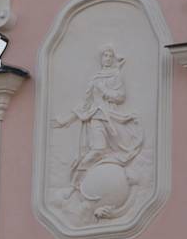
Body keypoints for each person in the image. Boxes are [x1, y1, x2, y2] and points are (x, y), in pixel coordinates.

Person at [51, 46, 143, 196]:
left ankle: (107, 174)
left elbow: (120, 97)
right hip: (96, 116)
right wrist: (65, 120)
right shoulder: (95, 79)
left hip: (112, 118)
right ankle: (76, 182)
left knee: (118, 148)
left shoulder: (116, 76)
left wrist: (105, 91)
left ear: (113, 59)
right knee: (98, 149)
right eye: (104, 55)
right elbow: (86, 103)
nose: (106, 58)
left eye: (109, 56)